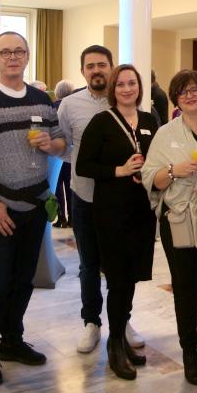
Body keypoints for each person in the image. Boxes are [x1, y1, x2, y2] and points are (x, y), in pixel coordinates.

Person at [0, 31, 66, 387]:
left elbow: (59, 143)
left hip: (35, 205)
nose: (12, 57)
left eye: (18, 51)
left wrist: (51, 144)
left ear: (27, 55)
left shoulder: (41, 99)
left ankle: (12, 340)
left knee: (23, 279)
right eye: (5, 52)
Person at [142, 69, 197, 385]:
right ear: (175, 99)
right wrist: (173, 170)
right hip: (179, 217)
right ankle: (188, 351)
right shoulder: (165, 133)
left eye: (196, 88)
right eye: (183, 91)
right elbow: (150, 177)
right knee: (185, 285)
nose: (191, 94)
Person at [58, 46, 146, 354]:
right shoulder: (69, 105)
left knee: (122, 265)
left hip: (123, 201)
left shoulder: (128, 104)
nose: (97, 70)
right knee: (89, 264)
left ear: (111, 69)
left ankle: (122, 321)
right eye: (90, 66)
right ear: (83, 71)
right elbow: (64, 143)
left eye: (102, 65)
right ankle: (91, 322)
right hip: (85, 196)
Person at [76, 63, 158, 380]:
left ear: (140, 87)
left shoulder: (150, 120)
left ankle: (122, 338)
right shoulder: (101, 122)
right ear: (113, 89)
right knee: (118, 279)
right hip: (112, 212)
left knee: (132, 277)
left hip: (142, 210)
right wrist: (120, 171)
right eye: (121, 84)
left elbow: (159, 157)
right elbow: (84, 165)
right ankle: (114, 348)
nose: (127, 88)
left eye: (132, 83)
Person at [51, 79, 76, 229]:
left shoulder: (53, 107)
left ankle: (61, 218)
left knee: (57, 185)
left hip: (58, 154)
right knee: (70, 185)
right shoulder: (74, 107)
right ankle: (73, 218)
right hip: (72, 152)